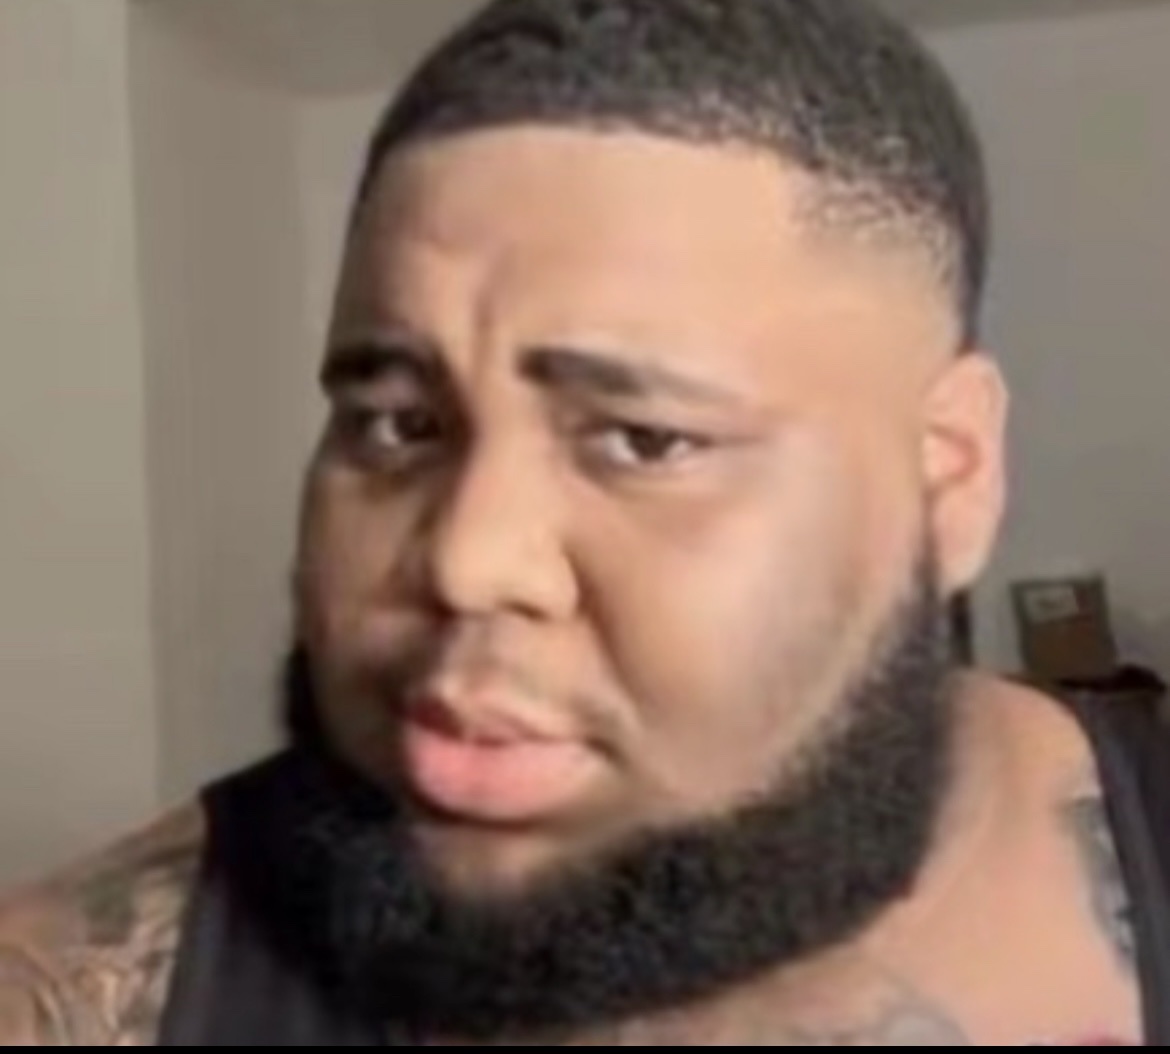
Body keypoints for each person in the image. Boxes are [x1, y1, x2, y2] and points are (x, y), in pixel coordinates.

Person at [1, 0, 1165, 1044]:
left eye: (644, 439)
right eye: (398, 425)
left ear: (948, 480)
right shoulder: (79, 996)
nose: (467, 560)